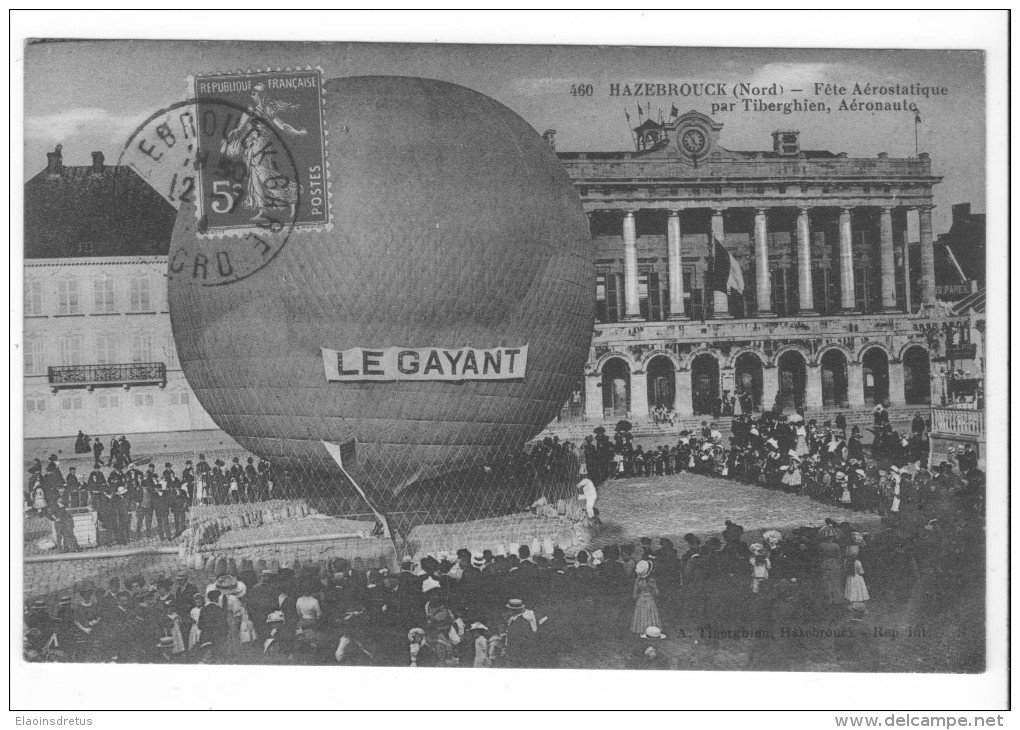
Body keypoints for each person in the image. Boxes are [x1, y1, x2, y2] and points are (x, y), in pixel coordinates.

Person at [630, 560, 660, 636]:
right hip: (650, 601)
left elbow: (634, 595)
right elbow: (656, 593)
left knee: (640, 617)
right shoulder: (652, 580)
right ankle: (650, 633)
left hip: (640, 601)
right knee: (650, 617)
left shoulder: (638, 581)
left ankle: (640, 632)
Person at [844, 545, 870, 619]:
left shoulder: (846, 561)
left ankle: (852, 606)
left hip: (850, 579)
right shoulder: (857, 562)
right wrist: (863, 572)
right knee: (859, 592)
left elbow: (845, 571)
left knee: (851, 592)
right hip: (858, 579)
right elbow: (861, 572)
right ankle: (861, 608)